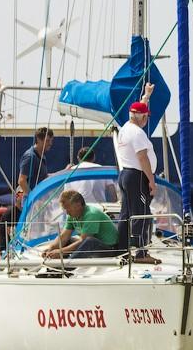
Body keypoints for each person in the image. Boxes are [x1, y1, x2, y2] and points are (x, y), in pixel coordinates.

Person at [114, 83, 160, 264]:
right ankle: (141, 254)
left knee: (126, 214)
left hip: (126, 175)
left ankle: (122, 249)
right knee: (141, 214)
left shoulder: (126, 127)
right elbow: (143, 158)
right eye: (146, 117)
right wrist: (152, 180)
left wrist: (146, 96)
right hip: (137, 177)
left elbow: (139, 109)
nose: (147, 119)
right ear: (141, 117)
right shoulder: (137, 133)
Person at [0, 127, 55, 246]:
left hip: (38, 202)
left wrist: (64, 171)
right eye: (48, 141)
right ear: (38, 139)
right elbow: (21, 181)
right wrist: (33, 198)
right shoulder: (30, 157)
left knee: (35, 227)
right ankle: (4, 249)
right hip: (30, 201)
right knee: (8, 221)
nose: (50, 144)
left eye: (51, 141)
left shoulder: (41, 156)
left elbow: (44, 177)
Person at [42, 190, 119, 259]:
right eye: (65, 209)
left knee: (89, 241)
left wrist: (61, 251)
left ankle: (66, 268)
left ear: (78, 205)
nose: (67, 212)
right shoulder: (71, 215)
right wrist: (51, 248)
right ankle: (54, 263)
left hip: (110, 249)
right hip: (92, 244)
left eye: (68, 208)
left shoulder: (91, 214)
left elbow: (84, 240)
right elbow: (63, 236)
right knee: (67, 240)